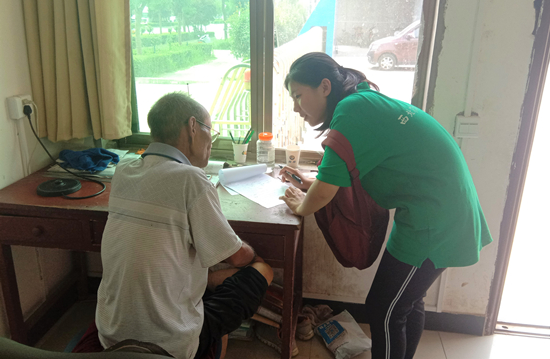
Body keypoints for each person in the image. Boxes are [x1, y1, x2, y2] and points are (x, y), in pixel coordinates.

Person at [278, 52, 492, 359]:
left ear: (324, 87)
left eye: (298, 96)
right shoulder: (362, 99)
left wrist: (301, 206)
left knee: (384, 309)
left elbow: (323, 195)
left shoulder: (351, 111)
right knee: (406, 302)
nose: (296, 108)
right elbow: (344, 170)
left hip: (434, 220)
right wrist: (315, 183)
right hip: (431, 210)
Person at [95, 92, 273, 359]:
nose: (210, 141)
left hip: (111, 335)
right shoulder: (193, 180)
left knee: (197, 269)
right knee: (261, 270)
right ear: (192, 127)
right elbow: (237, 257)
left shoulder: (124, 170)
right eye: (209, 131)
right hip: (171, 344)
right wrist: (252, 256)